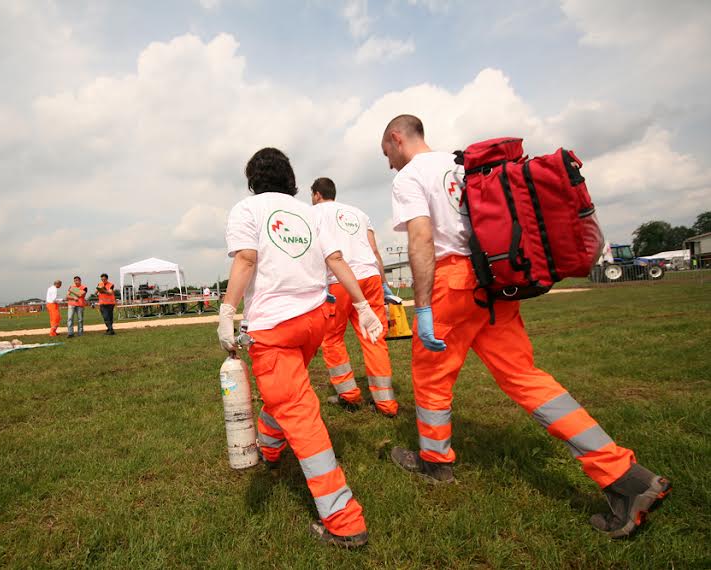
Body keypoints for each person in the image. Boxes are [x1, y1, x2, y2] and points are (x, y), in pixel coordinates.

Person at [380, 114, 671, 539]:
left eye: (386, 152)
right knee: (525, 377)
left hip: (451, 284)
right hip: (493, 280)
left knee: (431, 376)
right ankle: (624, 475)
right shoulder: (462, 165)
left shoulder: (409, 177)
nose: (388, 162)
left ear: (396, 138)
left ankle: (435, 463)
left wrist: (421, 307)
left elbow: (422, 239)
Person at [218, 147, 384, 548]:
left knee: (298, 410)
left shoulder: (246, 209)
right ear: (290, 179)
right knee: (285, 393)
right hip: (313, 321)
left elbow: (246, 259)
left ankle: (344, 521)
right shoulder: (309, 214)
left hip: (274, 327)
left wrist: (226, 310)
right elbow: (336, 259)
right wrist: (362, 305)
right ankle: (270, 449)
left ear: (252, 180)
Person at [311, 177, 400, 417]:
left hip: (338, 280)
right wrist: (384, 284)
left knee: (332, 338)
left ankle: (349, 395)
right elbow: (374, 250)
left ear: (317, 194)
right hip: (370, 277)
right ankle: (386, 403)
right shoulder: (359, 214)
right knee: (374, 336)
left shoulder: (313, 213)